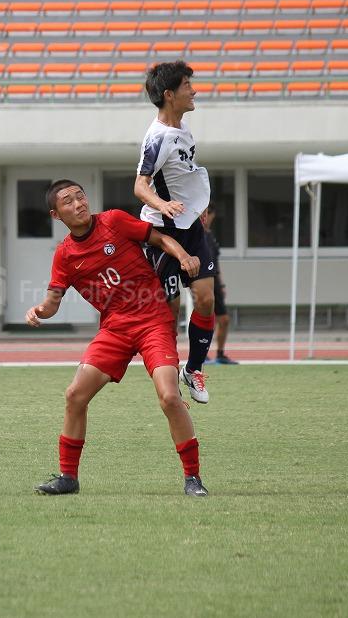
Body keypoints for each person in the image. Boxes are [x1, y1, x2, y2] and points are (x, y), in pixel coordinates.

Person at [27, 179, 208, 497]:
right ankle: (68, 477)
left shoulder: (113, 220)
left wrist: (183, 256)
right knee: (75, 395)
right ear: (57, 215)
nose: (78, 204)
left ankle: (193, 479)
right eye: (68, 201)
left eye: (80, 196)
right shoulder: (65, 255)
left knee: (168, 397)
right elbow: (52, 303)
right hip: (114, 330)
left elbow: (160, 238)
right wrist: (39, 311)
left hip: (153, 321)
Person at [135, 60, 215, 403]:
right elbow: (141, 185)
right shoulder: (157, 137)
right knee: (167, 312)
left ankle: (193, 369)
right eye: (187, 85)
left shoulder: (181, 128)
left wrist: (198, 208)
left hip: (190, 226)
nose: (193, 90)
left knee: (206, 299)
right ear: (169, 94)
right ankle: (168, 372)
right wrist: (163, 204)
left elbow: (184, 175)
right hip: (163, 231)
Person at [200, 205, 236, 365]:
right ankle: (201, 354)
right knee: (205, 318)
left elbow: (216, 263)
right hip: (202, 281)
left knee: (224, 319)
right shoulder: (197, 235)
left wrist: (221, 284)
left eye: (208, 214)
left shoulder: (210, 235)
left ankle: (220, 354)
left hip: (215, 282)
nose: (206, 217)